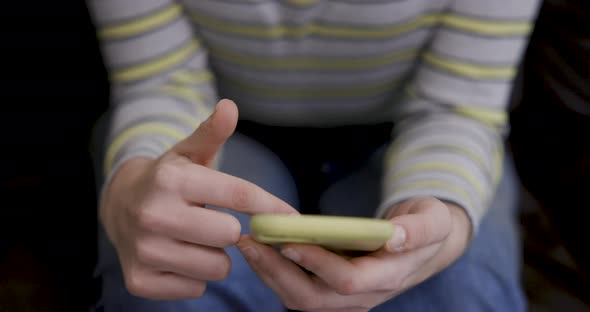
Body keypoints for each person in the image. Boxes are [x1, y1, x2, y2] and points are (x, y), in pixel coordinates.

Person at [87, 1, 540, 311]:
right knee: (176, 286)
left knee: (462, 289)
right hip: (218, 128)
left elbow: (456, 108)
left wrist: (447, 222)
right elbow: (161, 82)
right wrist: (130, 188)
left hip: (415, 130)